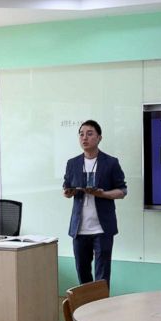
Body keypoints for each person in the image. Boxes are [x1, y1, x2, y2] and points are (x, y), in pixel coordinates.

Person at [62, 120, 127, 284]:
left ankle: (102, 308)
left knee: (102, 275)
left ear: (99, 138)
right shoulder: (72, 163)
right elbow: (66, 188)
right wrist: (68, 192)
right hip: (79, 228)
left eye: (90, 134)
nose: (85, 138)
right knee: (83, 274)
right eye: (81, 134)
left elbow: (122, 191)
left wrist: (102, 194)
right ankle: (85, 308)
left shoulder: (111, 162)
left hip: (102, 228)